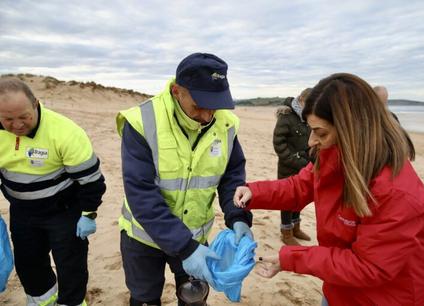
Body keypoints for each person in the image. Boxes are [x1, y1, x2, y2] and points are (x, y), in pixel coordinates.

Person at [234, 73, 424, 306]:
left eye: (320, 133)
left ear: (352, 130)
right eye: (311, 130)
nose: (311, 141)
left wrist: (290, 258)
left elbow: (369, 267)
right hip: (338, 289)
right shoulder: (334, 155)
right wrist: (254, 192)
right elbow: (300, 186)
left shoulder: (398, 193)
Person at [116, 52, 253, 306]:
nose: (206, 115)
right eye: (199, 105)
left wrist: (238, 217)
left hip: (196, 236)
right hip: (144, 238)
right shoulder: (142, 122)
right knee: (144, 298)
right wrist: (184, 247)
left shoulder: (227, 125)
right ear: (176, 91)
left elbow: (232, 177)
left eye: (214, 104)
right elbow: (141, 193)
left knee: (194, 298)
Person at [0, 78, 106, 306]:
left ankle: (72, 302)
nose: (17, 125)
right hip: (22, 212)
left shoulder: (65, 132)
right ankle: (43, 301)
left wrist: (89, 214)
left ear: (36, 104)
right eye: (8, 119)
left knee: (71, 266)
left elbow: (92, 181)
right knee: (29, 265)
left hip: (64, 211)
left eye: (24, 117)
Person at [273, 89, 314, 245]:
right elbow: (279, 143)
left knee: (300, 197)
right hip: (287, 167)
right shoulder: (286, 116)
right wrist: (294, 160)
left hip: (304, 165)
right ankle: (287, 232)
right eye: (309, 104)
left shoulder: (308, 117)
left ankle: (296, 227)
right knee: (287, 200)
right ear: (302, 100)